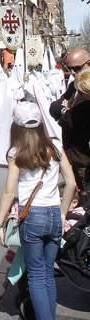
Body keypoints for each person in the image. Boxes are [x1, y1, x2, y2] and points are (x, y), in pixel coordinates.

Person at [0, 100, 76, 320]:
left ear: (16, 126)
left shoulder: (16, 152)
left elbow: (9, 191)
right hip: (53, 214)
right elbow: (71, 183)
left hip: (33, 217)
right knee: (47, 275)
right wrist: (62, 213)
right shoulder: (55, 146)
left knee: (37, 276)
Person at [49, 47, 90, 207]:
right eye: (69, 69)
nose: (72, 72)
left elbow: (76, 121)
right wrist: (65, 111)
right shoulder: (74, 85)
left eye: (77, 68)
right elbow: (54, 107)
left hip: (85, 161)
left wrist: (66, 112)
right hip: (71, 155)